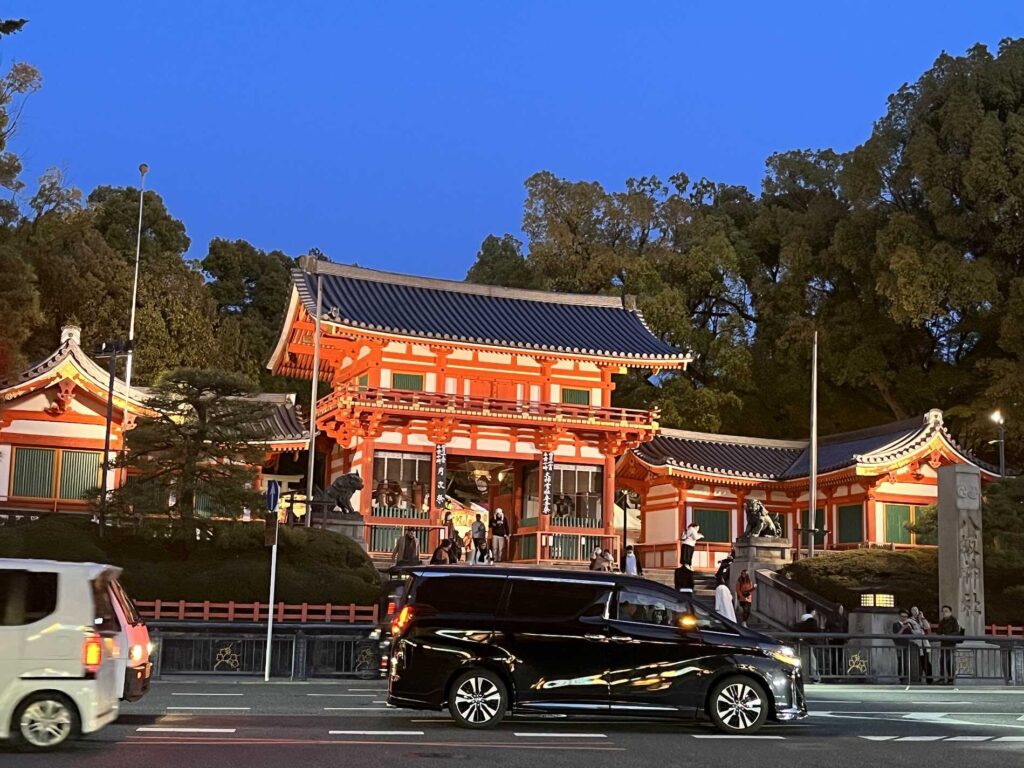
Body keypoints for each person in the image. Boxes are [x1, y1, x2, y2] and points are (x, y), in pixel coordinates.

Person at [936, 605, 962, 685]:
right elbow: (938, 631)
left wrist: (947, 635)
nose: (944, 613)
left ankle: (950, 679)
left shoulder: (954, 621)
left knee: (949, 661)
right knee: (942, 661)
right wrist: (940, 635)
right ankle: (942, 678)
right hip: (943, 643)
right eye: (943, 611)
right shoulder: (942, 621)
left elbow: (957, 632)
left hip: (951, 643)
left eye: (946, 611)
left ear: (950, 612)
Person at [795, 609, 822, 683]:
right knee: (813, 661)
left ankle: (801, 676)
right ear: (813, 611)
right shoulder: (812, 621)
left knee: (804, 660)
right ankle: (816, 677)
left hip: (803, 642)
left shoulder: (802, 620)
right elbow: (816, 630)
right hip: (810, 642)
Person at [910, 606, 934, 684]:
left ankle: (929, 679)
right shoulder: (910, 620)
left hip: (924, 644)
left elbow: (927, 627)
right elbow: (913, 631)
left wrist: (922, 617)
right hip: (916, 644)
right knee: (918, 662)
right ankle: (917, 679)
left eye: (916, 610)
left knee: (927, 662)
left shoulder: (921, 619)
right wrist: (920, 631)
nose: (915, 611)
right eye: (913, 610)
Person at [892, 609, 916, 684]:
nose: (904, 618)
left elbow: (913, 635)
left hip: (907, 645)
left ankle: (906, 676)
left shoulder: (909, 624)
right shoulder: (896, 624)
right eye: (902, 616)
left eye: (905, 617)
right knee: (900, 661)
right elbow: (896, 635)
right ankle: (901, 677)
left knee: (907, 661)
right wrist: (903, 628)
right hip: (899, 645)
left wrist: (910, 628)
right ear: (899, 616)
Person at [713, 554, 737, 623]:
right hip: (728, 604)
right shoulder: (725, 588)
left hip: (722, 606)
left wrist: (717, 608)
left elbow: (718, 599)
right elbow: (730, 597)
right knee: (729, 614)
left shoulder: (719, 588)